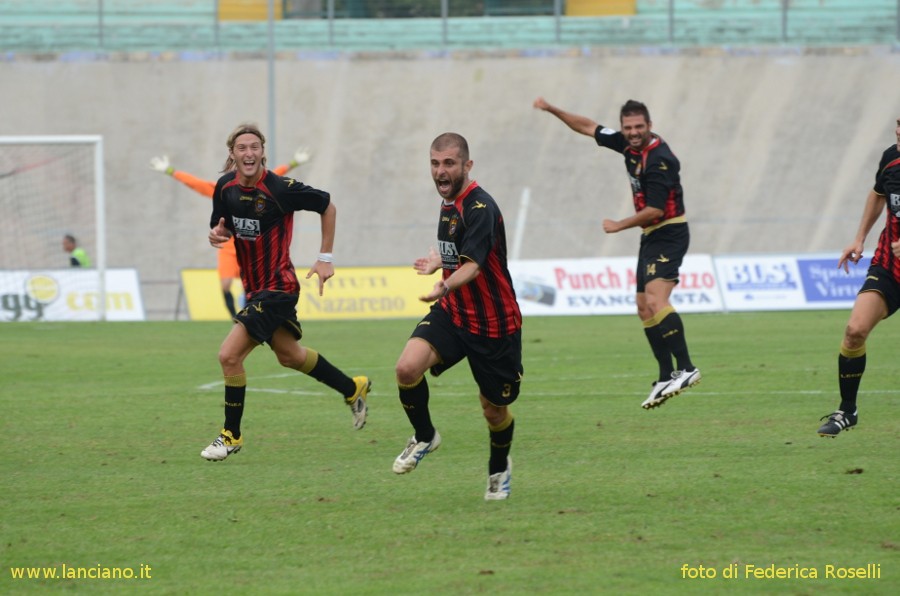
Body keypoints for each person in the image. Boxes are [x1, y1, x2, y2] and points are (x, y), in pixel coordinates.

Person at [200, 123, 369, 461]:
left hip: (278, 288)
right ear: (232, 154)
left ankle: (230, 435)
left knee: (229, 356)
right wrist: (216, 234)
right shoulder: (224, 188)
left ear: (263, 151)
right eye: (241, 148)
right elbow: (219, 225)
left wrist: (325, 258)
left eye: (254, 147)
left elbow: (327, 206)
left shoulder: (281, 188)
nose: (248, 153)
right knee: (290, 356)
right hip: (255, 289)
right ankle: (353, 388)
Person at [533, 97, 700, 410]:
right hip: (652, 236)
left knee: (656, 300)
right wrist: (554, 109)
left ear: (650, 126)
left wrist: (619, 224)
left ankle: (687, 368)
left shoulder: (659, 159)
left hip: (670, 232)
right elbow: (587, 126)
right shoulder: (626, 144)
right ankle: (666, 374)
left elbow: (655, 209)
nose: (633, 132)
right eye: (628, 127)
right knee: (642, 306)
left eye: (639, 127)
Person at [392, 132, 523, 501]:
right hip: (455, 313)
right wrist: (441, 263)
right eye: (434, 163)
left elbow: (475, 266)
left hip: (495, 324)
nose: (440, 171)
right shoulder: (449, 201)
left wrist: (446, 283)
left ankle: (499, 470)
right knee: (406, 368)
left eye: (449, 163)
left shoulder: (480, 207)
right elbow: (461, 255)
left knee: (494, 411)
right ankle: (424, 435)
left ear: (467, 165)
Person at [150, 147, 313, 318]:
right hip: (229, 247)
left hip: (250, 245)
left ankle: (251, 316)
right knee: (225, 285)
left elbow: (276, 174)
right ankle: (236, 318)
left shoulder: (258, 187)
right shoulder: (223, 189)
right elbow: (197, 184)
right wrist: (170, 171)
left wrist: (294, 163)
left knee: (251, 285)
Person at [817, 117, 900, 437]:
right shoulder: (891, 158)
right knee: (854, 331)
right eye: (898, 124)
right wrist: (859, 237)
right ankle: (847, 411)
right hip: (889, 267)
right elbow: (878, 193)